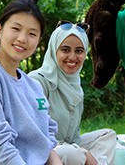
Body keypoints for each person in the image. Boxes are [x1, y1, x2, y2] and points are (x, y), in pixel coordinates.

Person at [0, 0, 62, 164]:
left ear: (38, 41)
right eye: (16, 29)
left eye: (32, 33)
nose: (22, 39)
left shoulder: (33, 86)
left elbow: (46, 135)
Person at [29, 20, 117, 165]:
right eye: (65, 49)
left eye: (79, 51)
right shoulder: (38, 81)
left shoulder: (75, 86)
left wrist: (79, 150)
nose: (72, 57)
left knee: (108, 136)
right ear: (54, 50)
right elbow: (35, 134)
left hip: (68, 148)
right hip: (44, 150)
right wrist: (81, 152)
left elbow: (74, 137)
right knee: (71, 154)